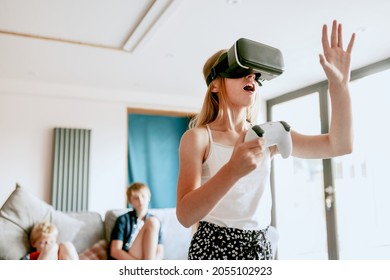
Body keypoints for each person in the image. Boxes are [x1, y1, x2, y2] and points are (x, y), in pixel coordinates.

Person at [176, 20, 356, 260]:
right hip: (213, 247)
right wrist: (232, 170)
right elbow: (185, 215)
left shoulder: (269, 134)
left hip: (260, 248)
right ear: (215, 85)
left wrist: (339, 86)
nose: (251, 76)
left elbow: (339, 145)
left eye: (254, 73)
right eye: (240, 71)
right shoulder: (198, 139)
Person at [109, 182, 164, 260]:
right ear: (130, 201)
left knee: (153, 222)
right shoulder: (123, 220)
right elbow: (115, 251)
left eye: (143, 196)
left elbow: (159, 252)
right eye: (136, 198)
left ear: (149, 197)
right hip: (130, 258)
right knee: (152, 222)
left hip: (148, 259)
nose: (140, 201)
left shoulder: (155, 221)